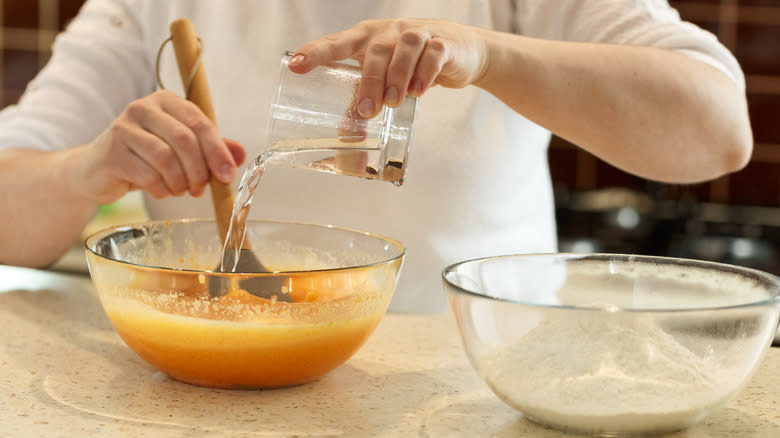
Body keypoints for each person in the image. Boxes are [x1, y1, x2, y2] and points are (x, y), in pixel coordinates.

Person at [0, 0, 751, 313]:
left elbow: (717, 129)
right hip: (215, 395)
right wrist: (84, 171)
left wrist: (489, 56)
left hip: (477, 398)